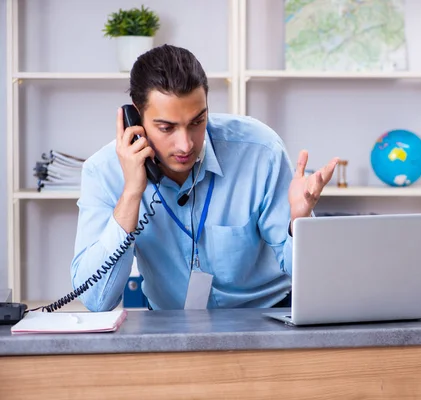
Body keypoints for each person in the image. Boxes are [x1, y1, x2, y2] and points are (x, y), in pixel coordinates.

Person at [70, 44, 338, 312]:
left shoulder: (260, 151)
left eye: (197, 122)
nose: (185, 145)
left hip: (265, 314)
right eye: (167, 128)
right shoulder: (103, 171)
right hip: (170, 325)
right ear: (135, 117)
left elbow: (311, 280)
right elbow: (97, 300)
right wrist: (131, 193)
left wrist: (298, 224)